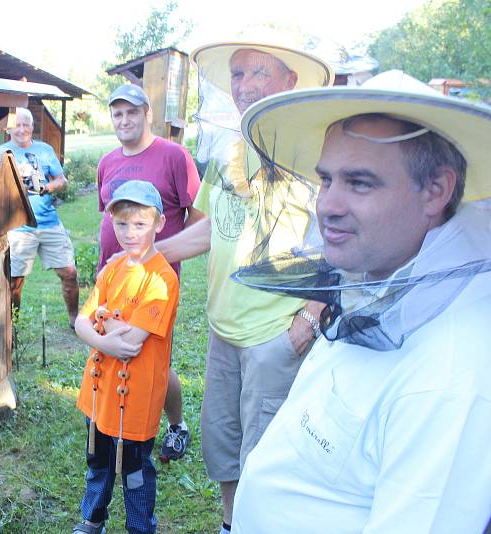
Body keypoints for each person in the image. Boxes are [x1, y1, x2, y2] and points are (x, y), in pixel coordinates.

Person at [230, 70, 491, 532]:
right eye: (326, 179)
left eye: (360, 183)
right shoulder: (382, 274)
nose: (327, 204)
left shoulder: (450, 374)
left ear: (436, 190)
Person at [154, 39, 334, 532]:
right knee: (222, 440)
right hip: (222, 331)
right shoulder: (232, 151)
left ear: (290, 81)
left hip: (275, 335)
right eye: (237, 75)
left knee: (267, 450)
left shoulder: (314, 155)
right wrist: (154, 251)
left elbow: (344, 245)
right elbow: (216, 224)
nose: (246, 86)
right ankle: (232, 521)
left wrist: (310, 317)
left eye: (259, 73)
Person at [98, 83, 203, 462]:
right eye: (117, 113)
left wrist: (154, 257)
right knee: (114, 352)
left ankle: (175, 425)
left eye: (131, 112)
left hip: (153, 286)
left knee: (153, 365)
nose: (124, 120)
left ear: (147, 114)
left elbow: (202, 220)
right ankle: (112, 426)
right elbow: (106, 219)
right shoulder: (106, 162)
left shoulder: (174, 156)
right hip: (112, 280)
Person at [73, 180, 180, 534]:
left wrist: (100, 322)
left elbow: (132, 343)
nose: (129, 233)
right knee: (98, 462)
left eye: (140, 224)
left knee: (134, 470)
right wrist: (107, 329)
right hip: (99, 393)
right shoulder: (112, 268)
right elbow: (79, 322)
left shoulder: (162, 279)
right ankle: (92, 519)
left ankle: (140, 528)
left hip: (137, 400)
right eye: (121, 224)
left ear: (159, 223)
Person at [2, 107, 79, 326]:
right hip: (18, 226)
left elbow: (61, 181)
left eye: (26, 124)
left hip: (49, 222)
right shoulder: (1, 153)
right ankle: (12, 326)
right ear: (9, 129)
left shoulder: (44, 150)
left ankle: (74, 319)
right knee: (15, 282)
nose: (22, 129)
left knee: (69, 273)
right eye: (17, 124)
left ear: (32, 127)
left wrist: (44, 188)